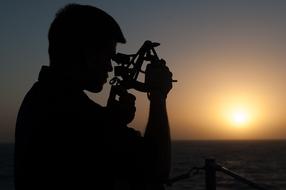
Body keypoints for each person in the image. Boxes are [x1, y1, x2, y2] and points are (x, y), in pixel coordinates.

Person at [15, 3, 173, 190]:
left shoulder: (40, 97)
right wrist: (158, 95)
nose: (109, 67)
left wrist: (112, 120)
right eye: (107, 56)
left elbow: (90, 152)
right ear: (87, 54)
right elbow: (156, 169)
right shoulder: (73, 112)